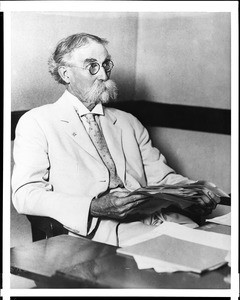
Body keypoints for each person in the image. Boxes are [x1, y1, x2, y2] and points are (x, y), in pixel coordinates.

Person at [12, 33, 218, 246]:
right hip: (97, 233)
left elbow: (162, 178)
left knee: (217, 249)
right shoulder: (38, 122)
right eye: (92, 66)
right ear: (66, 74)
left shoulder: (128, 121)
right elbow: (25, 194)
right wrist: (93, 206)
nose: (103, 75)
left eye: (106, 64)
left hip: (158, 219)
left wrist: (193, 191)